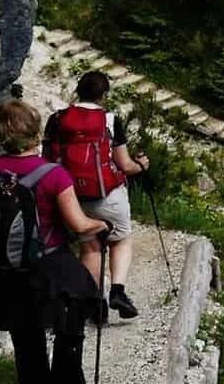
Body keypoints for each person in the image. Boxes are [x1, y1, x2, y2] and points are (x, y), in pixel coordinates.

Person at [0, 99, 110, 384]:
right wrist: (99, 226)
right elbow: (79, 224)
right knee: (71, 320)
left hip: (6, 273)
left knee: (27, 340)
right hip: (50, 266)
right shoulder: (54, 174)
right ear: (36, 132)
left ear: (0, 134)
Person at [42, 71, 150, 319]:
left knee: (90, 247)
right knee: (120, 239)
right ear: (104, 94)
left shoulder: (57, 119)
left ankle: (94, 301)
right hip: (107, 194)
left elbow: (46, 160)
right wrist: (142, 165)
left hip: (70, 197)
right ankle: (118, 291)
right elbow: (124, 165)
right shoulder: (110, 120)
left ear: (78, 90)